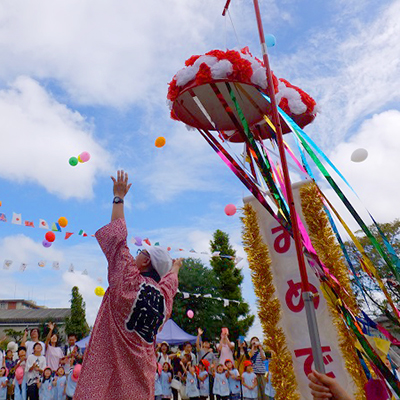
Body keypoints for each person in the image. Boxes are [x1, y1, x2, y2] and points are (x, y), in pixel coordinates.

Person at [74, 170, 183, 400]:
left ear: (145, 261)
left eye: (139, 252)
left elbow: (116, 238)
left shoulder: (130, 282)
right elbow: (171, 284)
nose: (134, 255)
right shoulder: (163, 302)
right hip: (140, 384)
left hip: (107, 381)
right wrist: (175, 269)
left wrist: (118, 197)